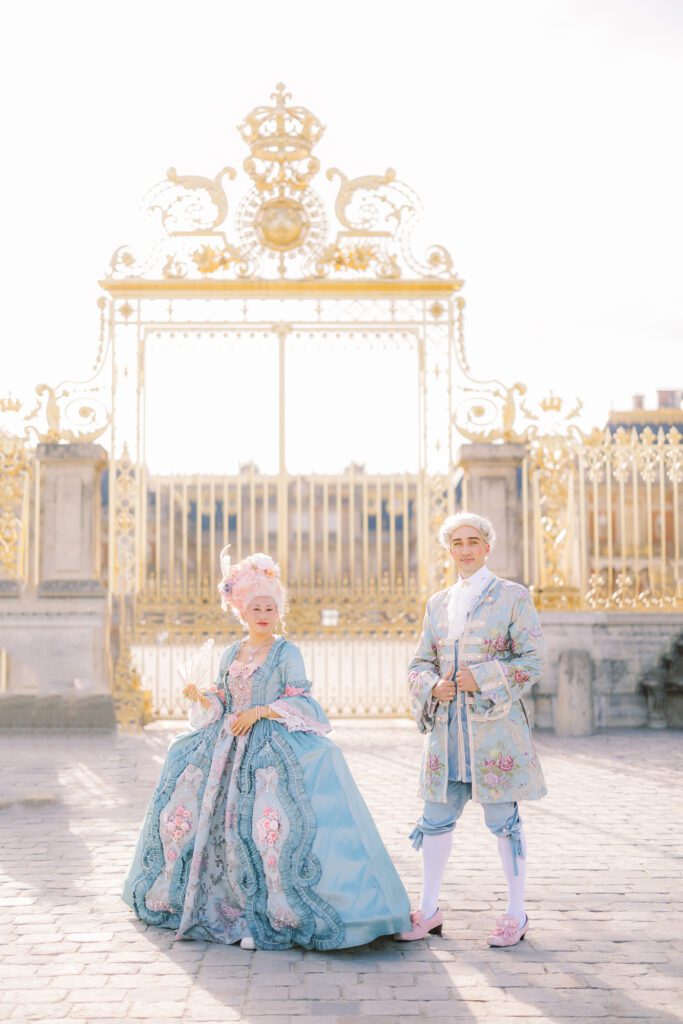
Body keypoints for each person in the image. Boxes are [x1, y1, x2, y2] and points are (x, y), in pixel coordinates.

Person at [123, 549, 411, 950]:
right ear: (241, 610)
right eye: (256, 607)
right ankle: (220, 905)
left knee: (269, 827)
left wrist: (260, 711)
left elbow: (303, 700)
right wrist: (205, 696)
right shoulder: (231, 652)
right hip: (225, 745)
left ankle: (270, 911)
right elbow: (223, 698)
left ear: (278, 611)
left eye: (270, 607)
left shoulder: (285, 652)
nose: (263, 614)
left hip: (267, 743)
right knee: (185, 793)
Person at [396, 512, 546, 947]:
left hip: (494, 733)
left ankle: (516, 913)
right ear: (449, 550)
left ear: (487, 546)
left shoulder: (512, 597)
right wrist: (432, 685)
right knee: (434, 818)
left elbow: (533, 660)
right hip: (446, 735)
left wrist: (483, 677)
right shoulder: (437, 603)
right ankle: (428, 910)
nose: (464, 549)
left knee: (503, 820)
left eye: (473, 541)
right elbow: (418, 663)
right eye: (457, 542)